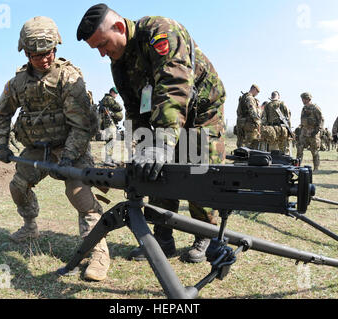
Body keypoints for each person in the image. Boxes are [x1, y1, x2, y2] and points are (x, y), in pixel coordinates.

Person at [77, 4, 226, 263]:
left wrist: (163, 142)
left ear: (119, 27)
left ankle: (206, 235)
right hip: (161, 117)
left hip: (200, 113)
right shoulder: (118, 63)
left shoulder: (160, 31)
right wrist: (139, 146)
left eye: (102, 44)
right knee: (154, 172)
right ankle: (162, 238)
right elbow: (135, 108)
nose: (102, 53)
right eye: (96, 49)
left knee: (198, 170)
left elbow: (174, 85)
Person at [0, 16, 110, 281]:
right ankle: (30, 226)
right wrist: (1, 143)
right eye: (36, 55)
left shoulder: (69, 76)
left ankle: (98, 251)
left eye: (48, 53)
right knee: (17, 186)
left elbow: (82, 126)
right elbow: (1, 115)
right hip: (36, 147)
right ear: (25, 52)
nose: (44, 60)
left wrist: (68, 157)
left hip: (71, 145)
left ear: (55, 48)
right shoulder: (17, 83)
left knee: (79, 194)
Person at [296, 93, 324, 171]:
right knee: (299, 149)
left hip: (313, 133)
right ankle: (297, 166)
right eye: (302, 99)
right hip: (304, 132)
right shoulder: (304, 108)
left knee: (314, 151)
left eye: (304, 99)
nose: (302, 101)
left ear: (308, 99)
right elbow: (302, 120)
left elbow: (321, 120)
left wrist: (317, 130)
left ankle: (316, 168)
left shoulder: (315, 108)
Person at [98, 87, 124, 166]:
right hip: (109, 123)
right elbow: (119, 107)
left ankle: (109, 159)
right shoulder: (109, 98)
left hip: (108, 122)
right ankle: (107, 160)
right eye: (115, 93)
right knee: (111, 141)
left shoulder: (105, 99)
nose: (116, 95)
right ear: (112, 92)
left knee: (110, 141)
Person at [236, 84, 261, 149]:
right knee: (250, 145)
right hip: (248, 125)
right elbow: (253, 112)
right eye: (257, 92)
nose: (257, 94)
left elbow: (238, 111)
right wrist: (258, 123)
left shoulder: (243, 97)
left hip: (240, 123)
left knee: (240, 144)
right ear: (254, 89)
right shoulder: (250, 98)